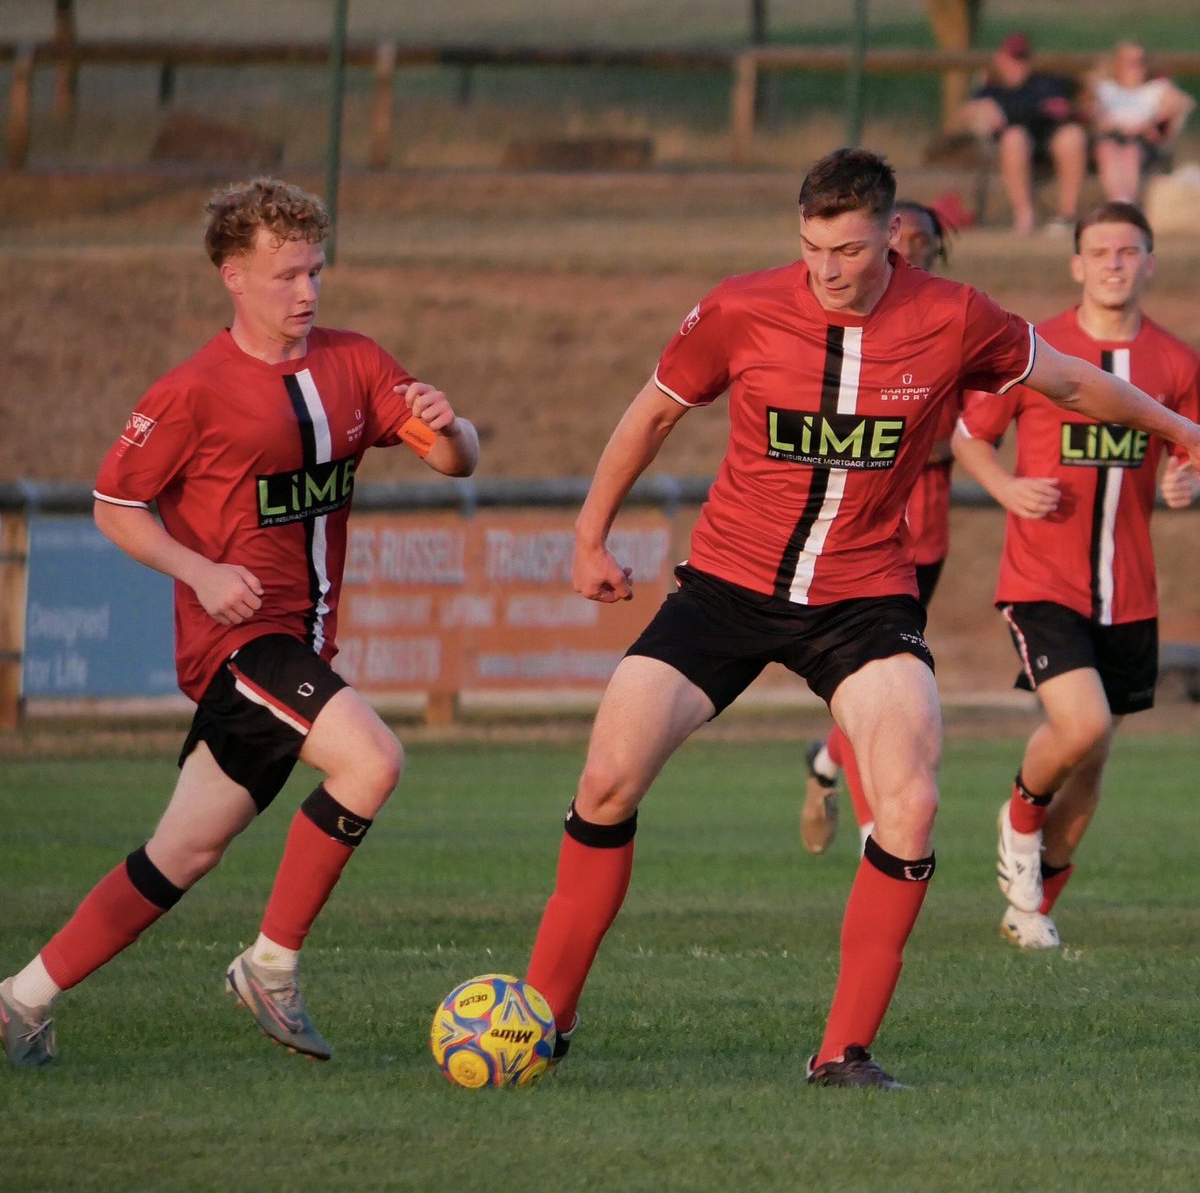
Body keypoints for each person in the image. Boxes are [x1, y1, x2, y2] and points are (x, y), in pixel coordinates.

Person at [521, 150, 1200, 1090]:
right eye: (811, 248)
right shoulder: (741, 307)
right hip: (726, 585)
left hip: (863, 599)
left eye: (847, 248)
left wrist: (1182, 431)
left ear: (891, 234)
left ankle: (843, 1052)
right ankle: (543, 1020)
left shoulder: (954, 314)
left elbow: (1074, 385)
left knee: (913, 805)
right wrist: (590, 538)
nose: (827, 269)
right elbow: (651, 417)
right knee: (605, 781)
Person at [0, 177, 480, 1068]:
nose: (306, 292)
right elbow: (114, 504)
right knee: (374, 760)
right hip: (241, 647)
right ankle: (271, 964)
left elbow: (456, 461)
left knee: (181, 852)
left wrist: (452, 430)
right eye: (286, 275)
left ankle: (21, 997)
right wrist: (197, 569)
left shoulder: (356, 363)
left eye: (315, 272)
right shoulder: (191, 391)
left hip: (297, 649)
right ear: (232, 275)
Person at [952, 201, 1199, 951]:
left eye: (1129, 251)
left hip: (1129, 589)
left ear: (1150, 262)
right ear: (1076, 264)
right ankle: (1019, 816)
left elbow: (1189, 457)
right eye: (1100, 251)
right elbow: (968, 437)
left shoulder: (1177, 363)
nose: (1115, 263)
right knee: (1080, 724)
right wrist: (1006, 490)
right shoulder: (1038, 349)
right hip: (1041, 579)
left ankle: (1030, 911)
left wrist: (1186, 486)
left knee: (1092, 768)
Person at [802, 200, 958, 854]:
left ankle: (823, 763)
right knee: (872, 686)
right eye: (907, 238)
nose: (915, 251)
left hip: (927, 536)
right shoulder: (848, 330)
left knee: (889, 681)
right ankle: (876, 833)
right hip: (862, 540)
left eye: (927, 241)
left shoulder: (951, 323)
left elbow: (963, 437)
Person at [957, 31, 1089, 234]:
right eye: (1013, 59)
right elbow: (965, 113)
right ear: (1000, 59)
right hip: (1012, 149)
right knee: (1014, 137)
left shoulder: (1046, 84)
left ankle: (1067, 215)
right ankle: (1024, 215)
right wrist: (980, 111)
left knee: (1072, 136)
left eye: (1022, 58)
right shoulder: (990, 89)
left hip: (1049, 142)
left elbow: (1081, 102)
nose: (1018, 64)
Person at [1087, 41, 1195, 205]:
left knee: (1131, 152)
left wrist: (1152, 123)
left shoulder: (1156, 88)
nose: (1135, 67)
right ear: (1116, 63)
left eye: (1140, 61)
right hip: (1112, 136)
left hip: (1142, 141)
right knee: (1106, 150)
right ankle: (1118, 201)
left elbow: (1184, 103)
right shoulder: (1104, 88)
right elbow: (1093, 113)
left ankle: (1126, 204)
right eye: (1129, 62)